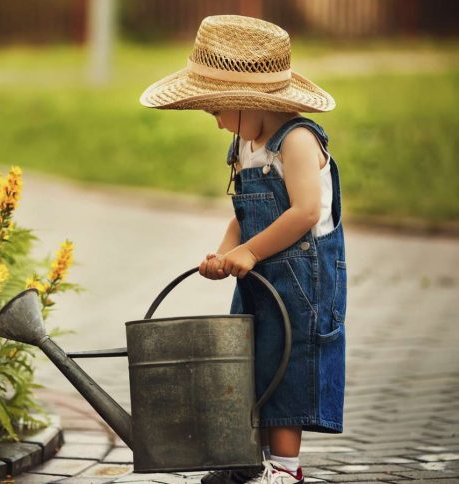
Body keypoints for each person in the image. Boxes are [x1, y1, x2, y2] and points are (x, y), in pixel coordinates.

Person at [139, 15, 347, 484]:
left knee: (287, 364)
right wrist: (225, 251)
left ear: (249, 100)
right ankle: (244, 458)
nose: (215, 123)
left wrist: (250, 253)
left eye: (216, 110)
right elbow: (242, 214)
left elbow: (304, 213)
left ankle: (286, 469)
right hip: (260, 277)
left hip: (303, 280)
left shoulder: (296, 140)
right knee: (247, 360)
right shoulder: (245, 143)